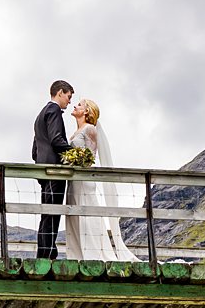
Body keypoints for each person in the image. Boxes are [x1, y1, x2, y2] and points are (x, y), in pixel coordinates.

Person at [68, 98, 136, 261]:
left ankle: (94, 253)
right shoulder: (76, 132)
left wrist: (77, 160)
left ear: (86, 111)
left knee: (88, 215)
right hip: (73, 180)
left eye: (79, 105)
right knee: (74, 214)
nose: (75, 106)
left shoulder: (90, 129)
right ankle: (78, 253)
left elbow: (90, 156)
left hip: (84, 179)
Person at [31, 79, 74, 259]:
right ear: (60, 93)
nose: (69, 101)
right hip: (55, 170)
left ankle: (45, 251)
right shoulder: (54, 110)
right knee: (53, 212)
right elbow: (57, 140)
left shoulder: (40, 115)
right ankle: (48, 253)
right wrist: (75, 153)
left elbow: (34, 150)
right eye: (69, 96)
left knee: (46, 212)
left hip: (43, 169)